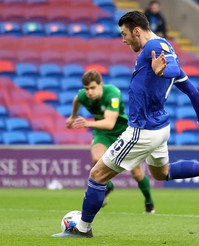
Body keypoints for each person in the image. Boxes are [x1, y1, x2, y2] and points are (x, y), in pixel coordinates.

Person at [54, 11, 199, 238]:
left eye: (125, 34)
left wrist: (162, 70)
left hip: (142, 130)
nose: (123, 40)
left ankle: (82, 228)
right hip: (160, 128)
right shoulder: (160, 49)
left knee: (97, 175)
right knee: (162, 173)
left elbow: (171, 69)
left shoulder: (155, 47)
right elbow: (193, 91)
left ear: (137, 31)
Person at [65, 69, 155, 213]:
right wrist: (72, 116)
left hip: (123, 132)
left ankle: (149, 201)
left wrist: (87, 123)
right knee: (97, 160)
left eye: (93, 88)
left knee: (137, 173)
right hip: (102, 133)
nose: (89, 92)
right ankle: (108, 186)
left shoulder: (112, 93)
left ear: (101, 84)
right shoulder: (84, 95)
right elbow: (77, 99)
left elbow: (109, 123)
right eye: (87, 89)